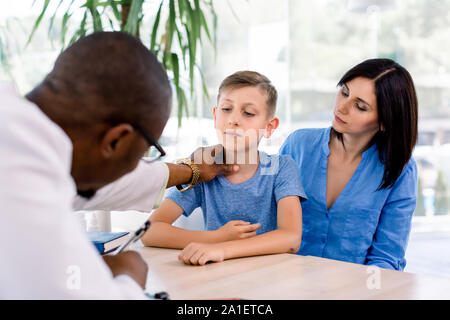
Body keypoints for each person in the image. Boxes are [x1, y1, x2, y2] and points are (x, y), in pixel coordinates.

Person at [0, 32, 236, 299]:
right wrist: (129, 277)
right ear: (116, 140)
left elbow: (96, 185)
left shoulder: (20, 136)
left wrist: (190, 171)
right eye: (144, 152)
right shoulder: (22, 185)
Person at [142, 71, 306, 265]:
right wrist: (217, 238)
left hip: (269, 276)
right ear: (215, 115)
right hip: (218, 276)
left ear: (270, 127)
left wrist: (222, 249)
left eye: (248, 113)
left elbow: (290, 238)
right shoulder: (202, 169)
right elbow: (149, 231)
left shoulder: (281, 168)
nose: (233, 120)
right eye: (226, 108)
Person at [279, 58, 418, 271]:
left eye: (360, 107)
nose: (341, 108)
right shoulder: (298, 145)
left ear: (384, 122)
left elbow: (386, 258)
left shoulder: (400, 170)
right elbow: (269, 222)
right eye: (344, 92)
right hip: (283, 283)